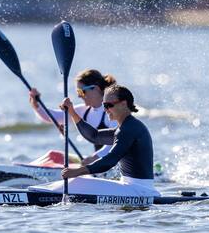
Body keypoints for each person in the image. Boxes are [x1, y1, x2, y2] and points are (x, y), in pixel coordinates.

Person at [29, 84, 159, 198]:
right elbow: (94, 135)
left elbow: (109, 161)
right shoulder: (126, 127)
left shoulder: (129, 129)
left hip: (139, 190)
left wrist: (77, 171)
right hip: (133, 187)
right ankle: (40, 191)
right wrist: (73, 112)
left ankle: (36, 194)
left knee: (78, 181)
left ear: (124, 104)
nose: (106, 109)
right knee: (79, 181)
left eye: (109, 105)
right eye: (104, 105)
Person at [28, 69, 117, 165]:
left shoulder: (113, 112)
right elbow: (52, 117)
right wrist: (36, 105)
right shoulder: (84, 111)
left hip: (115, 165)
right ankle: (27, 171)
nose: (79, 96)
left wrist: (95, 157)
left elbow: (117, 142)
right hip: (98, 162)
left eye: (81, 92)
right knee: (54, 156)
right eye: (78, 92)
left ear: (96, 88)